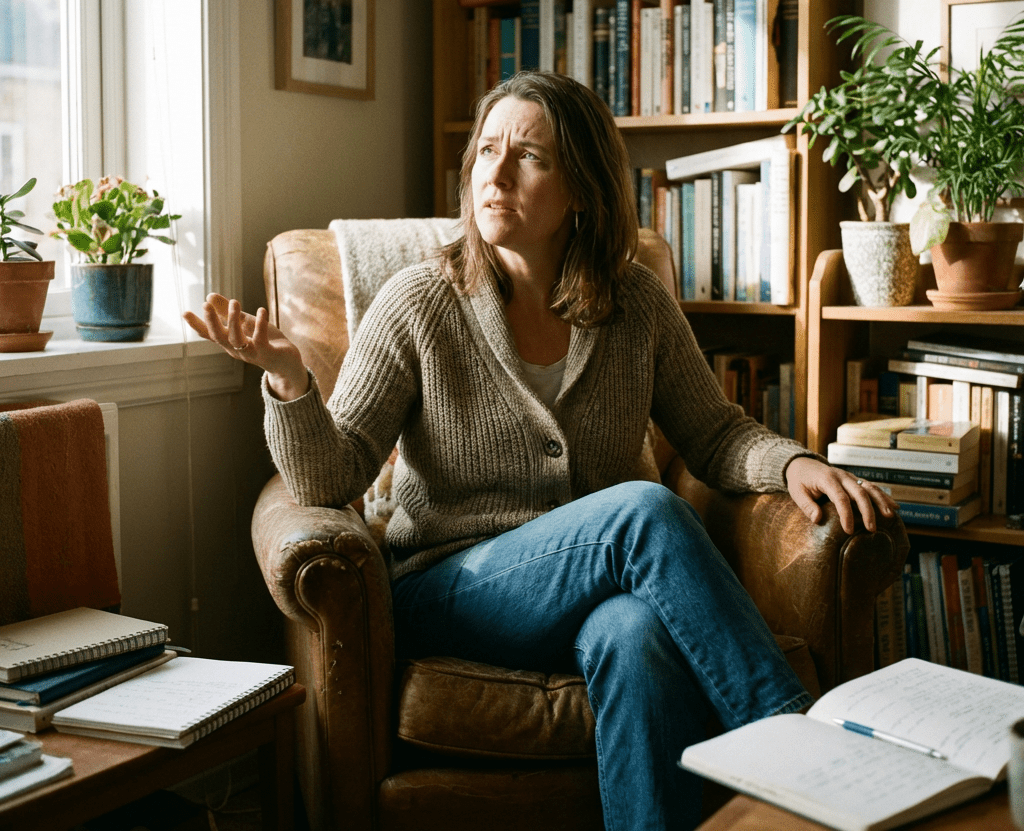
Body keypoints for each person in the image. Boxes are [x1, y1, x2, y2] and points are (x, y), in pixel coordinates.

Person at [184, 71, 895, 831]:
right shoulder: (418, 301)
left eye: (529, 156)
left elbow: (713, 432)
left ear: (582, 188)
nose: (495, 173)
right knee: (643, 514)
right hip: (453, 589)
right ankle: (805, 757)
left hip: (593, 592)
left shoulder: (635, 304)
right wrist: (292, 384)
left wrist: (795, 464)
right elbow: (335, 475)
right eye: (487, 150)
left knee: (636, 634)